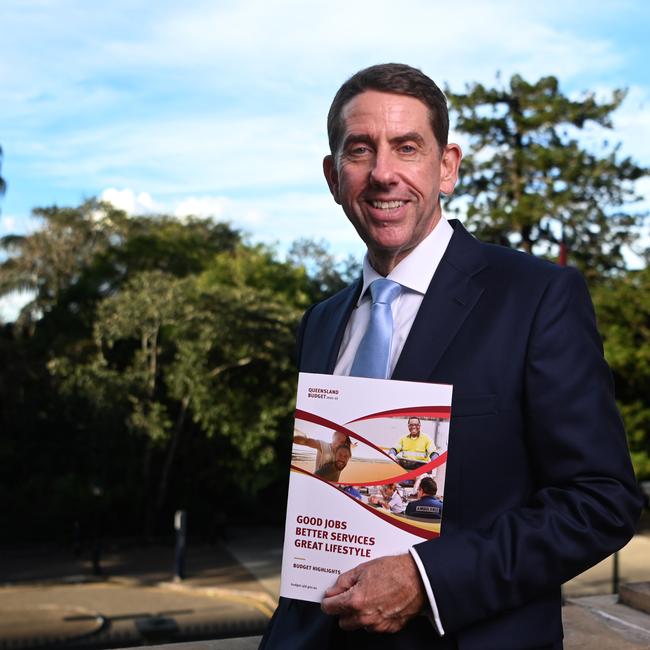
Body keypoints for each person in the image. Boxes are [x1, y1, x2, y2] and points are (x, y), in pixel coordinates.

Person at [261, 63, 642, 650]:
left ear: (447, 168)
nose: (383, 173)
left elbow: (601, 500)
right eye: (360, 151)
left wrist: (427, 579)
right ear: (333, 175)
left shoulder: (537, 297)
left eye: (407, 148)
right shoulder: (322, 322)